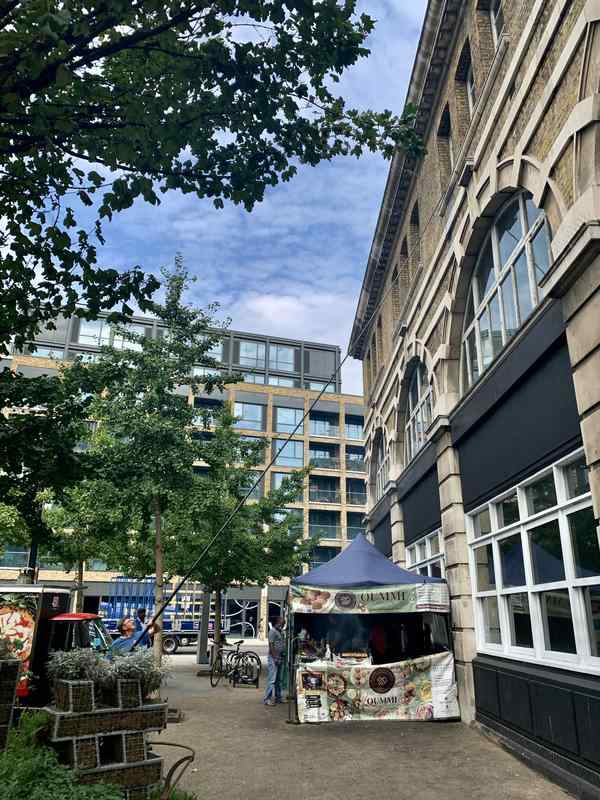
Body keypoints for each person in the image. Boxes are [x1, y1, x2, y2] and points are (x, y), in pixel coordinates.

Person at [263, 616, 284, 706]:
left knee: (278, 679)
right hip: (273, 658)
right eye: (282, 623)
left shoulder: (280, 631)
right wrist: (275, 657)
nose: (283, 624)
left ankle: (278, 697)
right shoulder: (272, 631)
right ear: (277, 622)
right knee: (272, 679)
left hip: (279, 657)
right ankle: (267, 699)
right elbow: (271, 646)